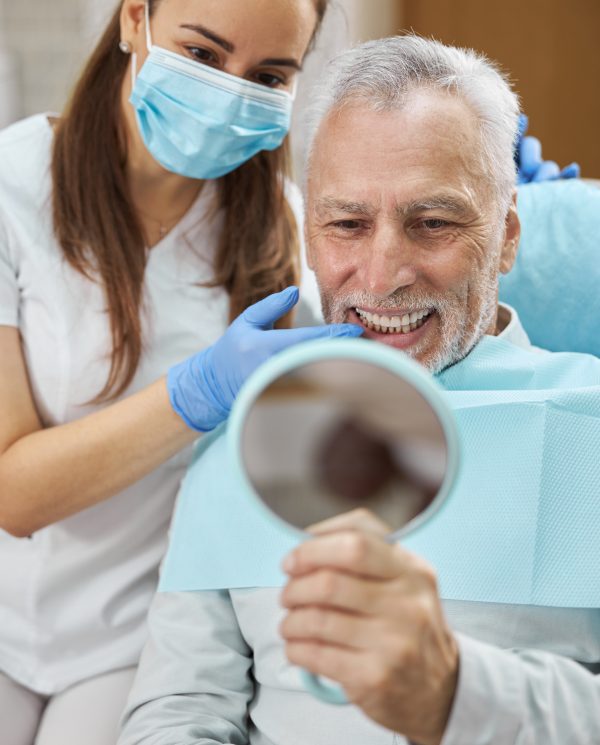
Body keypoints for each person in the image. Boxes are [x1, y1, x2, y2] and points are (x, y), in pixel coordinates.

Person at [118, 35, 600, 745]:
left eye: (432, 223)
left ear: (506, 237)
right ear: (308, 234)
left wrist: (457, 692)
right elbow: (179, 706)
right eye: (347, 224)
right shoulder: (244, 432)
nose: (381, 277)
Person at [0, 1, 373, 743]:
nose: (231, 92)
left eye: (268, 74)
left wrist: (497, 203)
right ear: (135, 18)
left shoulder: (285, 235)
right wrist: (197, 392)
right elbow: (12, 493)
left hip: (134, 635)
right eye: (203, 55)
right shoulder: (14, 186)